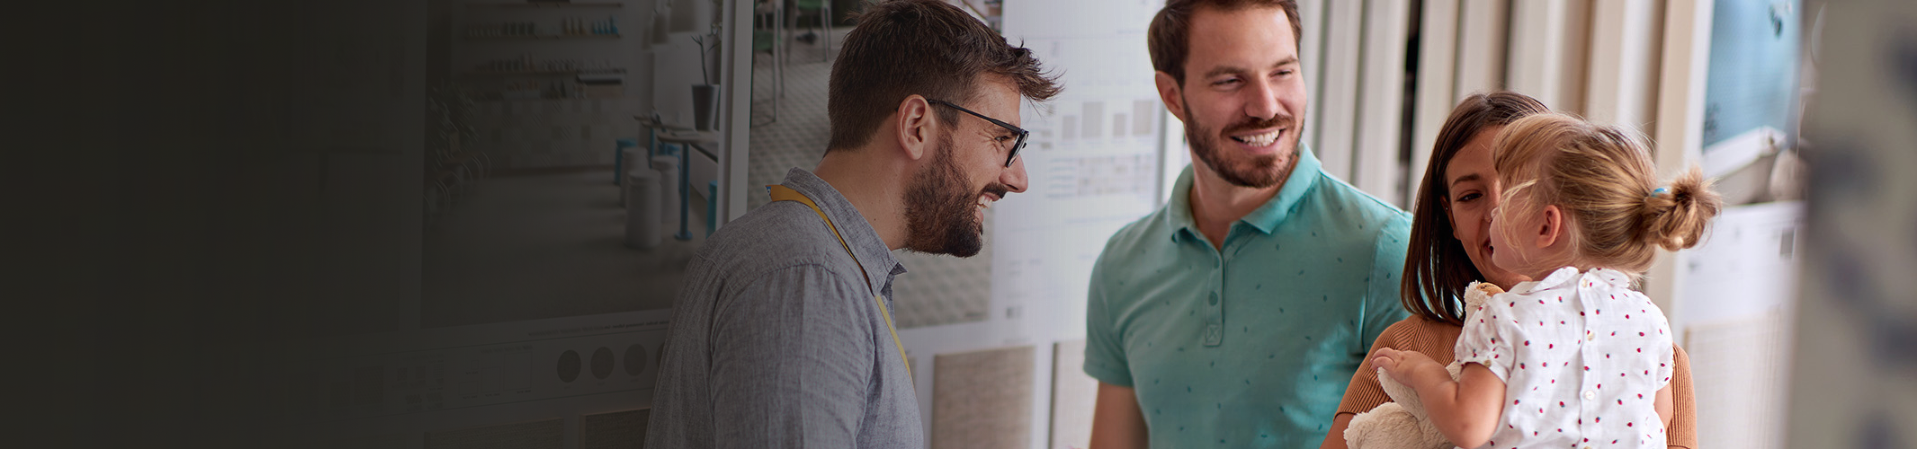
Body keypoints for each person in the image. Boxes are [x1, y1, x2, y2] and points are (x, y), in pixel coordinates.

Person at [645, 1, 1060, 447]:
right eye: (1003, 140)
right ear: (916, 126)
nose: (1018, 179)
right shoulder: (806, 285)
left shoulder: (812, 263)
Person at [1082, 0, 1412, 447]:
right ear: (1172, 96)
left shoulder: (1387, 249)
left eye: (1282, 72)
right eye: (1230, 80)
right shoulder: (1122, 262)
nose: (1265, 106)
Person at [1319, 92, 1702, 449]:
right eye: (1471, 196)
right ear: (1448, 216)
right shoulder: (1648, 324)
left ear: (1548, 223)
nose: (1492, 211)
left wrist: (1424, 374)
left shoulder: (1499, 320)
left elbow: (1468, 425)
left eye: (1514, 191)